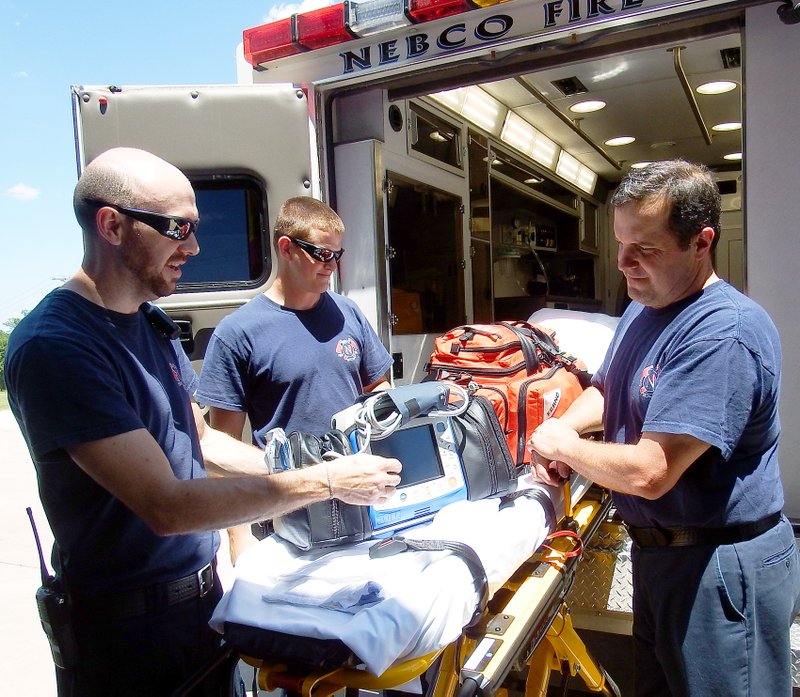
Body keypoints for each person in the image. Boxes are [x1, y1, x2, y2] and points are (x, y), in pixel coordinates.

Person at [4, 147, 401, 697]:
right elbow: (166, 505)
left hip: (198, 604)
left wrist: (324, 467)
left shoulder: (149, 326)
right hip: (125, 635)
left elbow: (202, 440)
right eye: (177, 228)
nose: (193, 246)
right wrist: (326, 483)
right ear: (111, 224)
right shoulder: (60, 347)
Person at [527, 159, 800, 696]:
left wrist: (564, 447)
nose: (625, 264)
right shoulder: (646, 306)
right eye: (621, 244)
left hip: (718, 569)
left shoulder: (723, 333)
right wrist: (563, 429)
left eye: (645, 248)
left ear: (701, 242)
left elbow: (653, 471)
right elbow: (608, 390)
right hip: (663, 560)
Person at [196, 196, 393, 558]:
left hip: (361, 499)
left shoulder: (348, 313)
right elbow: (223, 448)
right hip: (286, 514)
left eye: (338, 254)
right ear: (286, 247)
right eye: (321, 254)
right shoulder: (238, 332)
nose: (332, 265)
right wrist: (239, 541)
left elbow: (379, 390)